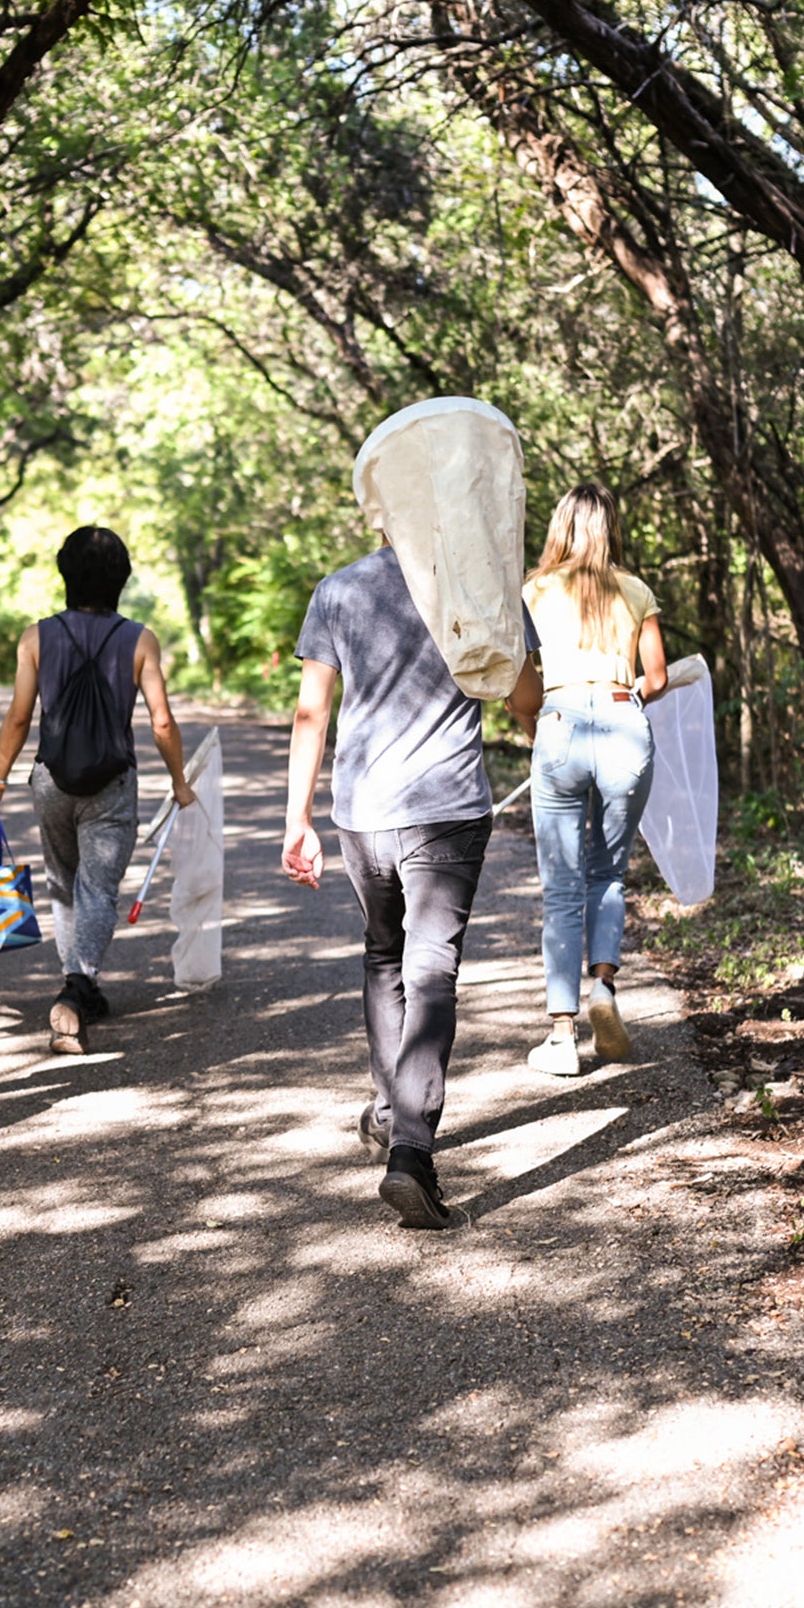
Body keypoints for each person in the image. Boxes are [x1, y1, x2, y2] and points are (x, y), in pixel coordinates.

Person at [284, 541, 542, 1229]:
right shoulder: (481, 582)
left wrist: (297, 820)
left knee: (382, 956)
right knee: (431, 969)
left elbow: (312, 711)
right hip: (448, 808)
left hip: (363, 812)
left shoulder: (337, 589)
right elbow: (523, 698)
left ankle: (391, 1112)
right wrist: (546, 738)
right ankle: (411, 1151)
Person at [0, 526, 196, 1053]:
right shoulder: (140, 639)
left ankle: (82, 983)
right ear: (121, 578)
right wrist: (180, 781)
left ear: (64, 574)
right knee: (96, 889)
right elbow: (162, 723)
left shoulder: (36, 637)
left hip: (51, 779)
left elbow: (19, 717)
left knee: (63, 881)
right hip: (111, 784)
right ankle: (76, 989)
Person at [521, 483, 668, 1077]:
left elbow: (519, 684)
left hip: (557, 723)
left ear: (561, 526)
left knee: (561, 886)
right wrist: (629, 692)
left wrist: (534, 728)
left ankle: (561, 1036)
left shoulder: (533, 590)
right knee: (608, 872)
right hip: (623, 727)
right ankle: (603, 989)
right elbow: (654, 677)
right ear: (610, 527)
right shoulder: (635, 591)